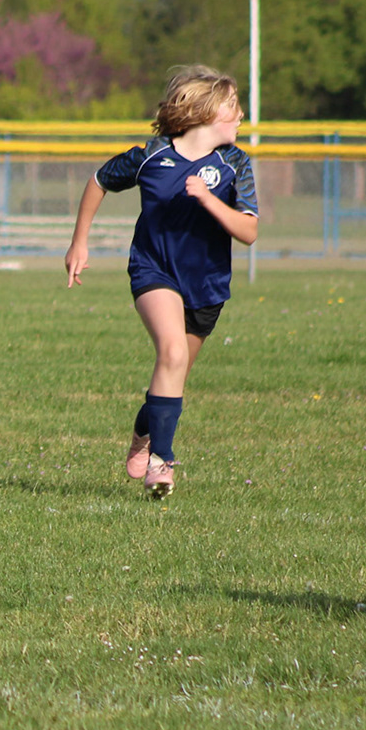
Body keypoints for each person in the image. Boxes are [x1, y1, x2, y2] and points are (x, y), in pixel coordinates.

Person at [65, 65, 258, 499]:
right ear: (205, 112)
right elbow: (98, 181)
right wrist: (79, 243)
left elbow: (248, 231)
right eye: (232, 106)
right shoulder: (151, 155)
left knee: (174, 374)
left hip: (207, 285)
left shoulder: (234, 163)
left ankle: (144, 430)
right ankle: (162, 462)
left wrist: (208, 199)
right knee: (170, 353)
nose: (241, 115)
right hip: (153, 271)